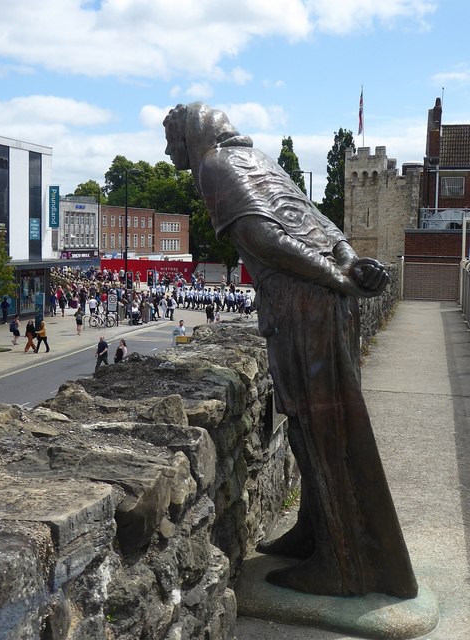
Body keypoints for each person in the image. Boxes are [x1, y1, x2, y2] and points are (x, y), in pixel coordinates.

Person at [163, 103, 418, 599]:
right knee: (314, 428)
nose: (169, 149)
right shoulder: (258, 159)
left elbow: (263, 237)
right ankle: (316, 531)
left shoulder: (215, 165)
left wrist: (334, 275)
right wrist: (349, 262)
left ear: (192, 135)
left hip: (303, 307)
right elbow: (321, 222)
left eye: (172, 137)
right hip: (327, 305)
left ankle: (342, 565)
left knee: (321, 430)